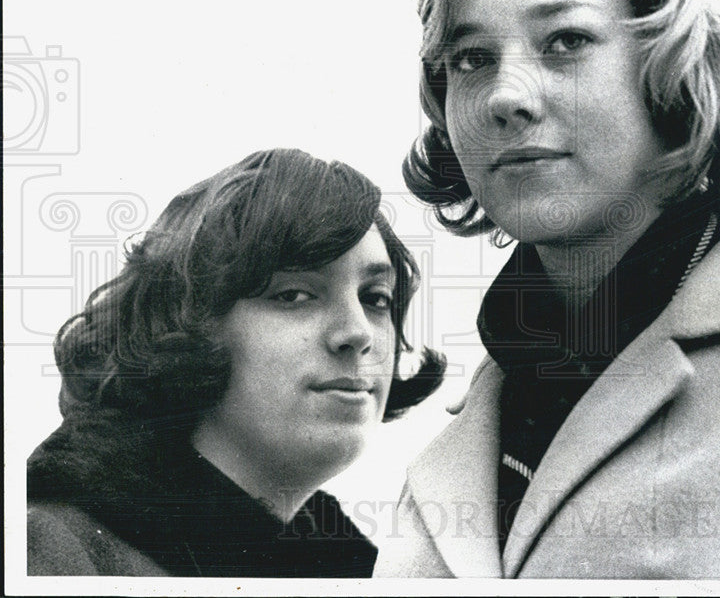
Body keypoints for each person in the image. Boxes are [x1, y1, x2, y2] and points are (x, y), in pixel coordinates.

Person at [375, 0, 720, 579]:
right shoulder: (456, 441)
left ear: (671, 73)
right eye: (471, 59)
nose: (505, 96)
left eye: (564, 43)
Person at [27, 148, 446, 577]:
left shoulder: (378, 575)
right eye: (294, 295)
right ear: (186, 325)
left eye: (376, 299)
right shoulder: (55, 555)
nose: (359, 333)